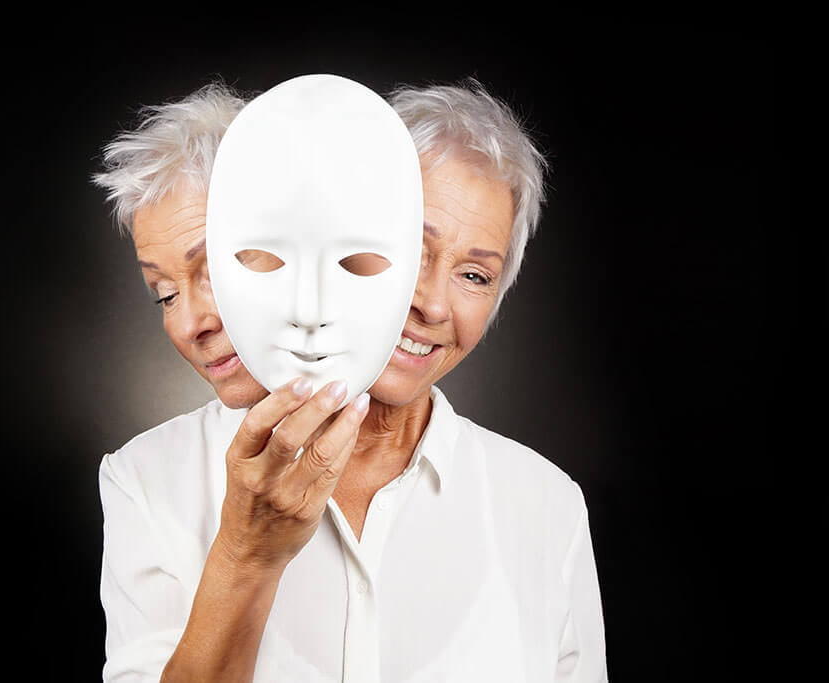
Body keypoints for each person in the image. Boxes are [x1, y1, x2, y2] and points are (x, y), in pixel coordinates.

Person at [94, 79, 607, 682]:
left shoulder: (548, 508)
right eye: (408, 252)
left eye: (475, 275)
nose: (432, 305)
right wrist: (245, 555)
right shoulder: (147, 482)